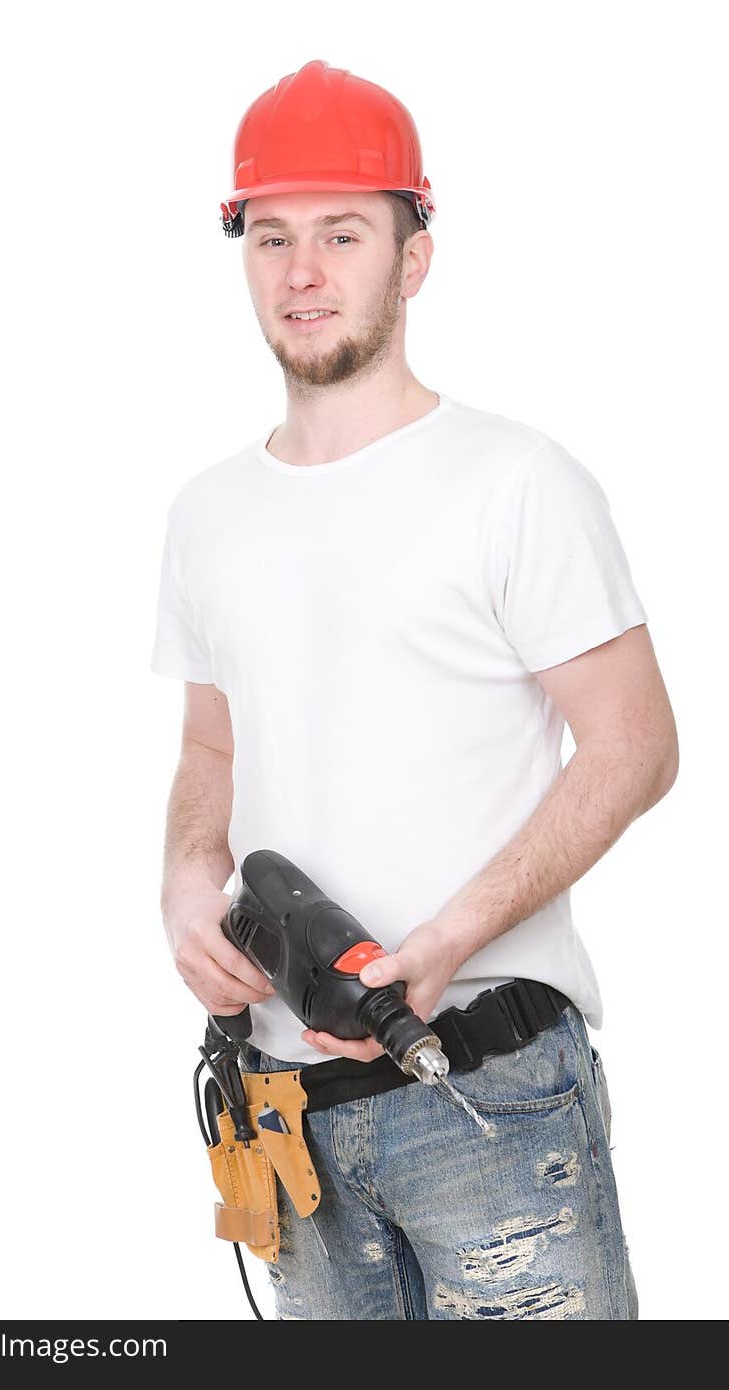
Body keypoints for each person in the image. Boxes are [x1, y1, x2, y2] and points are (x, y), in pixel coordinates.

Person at [149, 59, 678, 1320]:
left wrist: (448, 938)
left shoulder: (515, 482)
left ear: (414, 256)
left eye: (342, 234)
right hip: (285, 1116)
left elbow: (635, 745)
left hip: (485, 1095)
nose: (303, 273)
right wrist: (183, 875)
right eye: (271, 237)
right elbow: (211, 753)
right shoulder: (207, 513)